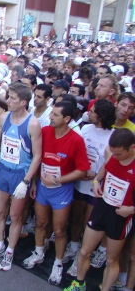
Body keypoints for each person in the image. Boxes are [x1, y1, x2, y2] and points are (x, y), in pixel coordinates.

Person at [23, 101, 89, 286]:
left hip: (61, 191)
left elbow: (82, 170)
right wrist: (35, 181)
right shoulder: (44, 132)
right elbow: (37, 158)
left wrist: (59, 180)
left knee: (59, 230)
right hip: (42, 188)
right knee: (41, 222)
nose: (50, 117)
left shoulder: (76, 140)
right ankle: (38, 253)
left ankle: (58, 264)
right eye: (51, 113)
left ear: (67, 119)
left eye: (55, 115)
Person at [65, 129, 135, 291]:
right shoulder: (111, 153)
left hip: (120, 215)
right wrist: (96, 182)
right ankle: (79, 284)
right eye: (113, 153)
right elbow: (105, 167)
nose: (115, 157)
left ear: (132, 147)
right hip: (102, 206)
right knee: (84, 252)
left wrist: (131, 210)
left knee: (111, 260)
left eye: (120, 154)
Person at [0, 82, 42, 271]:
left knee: (15, 217)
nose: (7, 100)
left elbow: (37, 155)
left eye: (12, 98)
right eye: (8, 96)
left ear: (23, 102)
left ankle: (10, 250)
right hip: (2, 170)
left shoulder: (33, 124)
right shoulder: (4, 117)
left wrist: (26, 181)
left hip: (19, 175)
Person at [64, 99, 116, 277]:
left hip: (96, 187)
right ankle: (73, 247)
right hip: (79, 182)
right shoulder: (85, 129)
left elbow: (111, 165)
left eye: (92, 111)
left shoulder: (112, 136)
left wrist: (94, 176)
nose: (88, 113)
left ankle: (82, 255)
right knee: (76, 218)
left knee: (89, 223)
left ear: (100, 115)